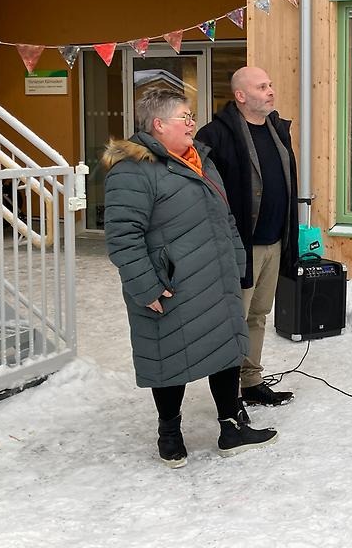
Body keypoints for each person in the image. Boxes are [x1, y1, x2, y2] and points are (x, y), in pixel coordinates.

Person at [103, 88, 277, 467]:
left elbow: (225, 216)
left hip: (216, 276)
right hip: (171, 284)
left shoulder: (201, 160)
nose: (192, 123)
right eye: (185, 116)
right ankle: (170, 433)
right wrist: (145, 285)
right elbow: (122, 236)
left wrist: (235, 260)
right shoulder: (132, 170)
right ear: (158, 124)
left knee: (225, 349)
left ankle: (232, 427)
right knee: (169, 355)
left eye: (191, 116)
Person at [195, 66, 299, 407]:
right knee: (232, 321)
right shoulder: (216, 135)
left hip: (273, 240)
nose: (271, 91)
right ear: (241, 96)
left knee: (257, 317)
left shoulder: (277, 130)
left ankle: (251, 382)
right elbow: (202, 193)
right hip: (239, 247)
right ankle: (227, 399)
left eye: (270, 84)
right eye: (262, 86)